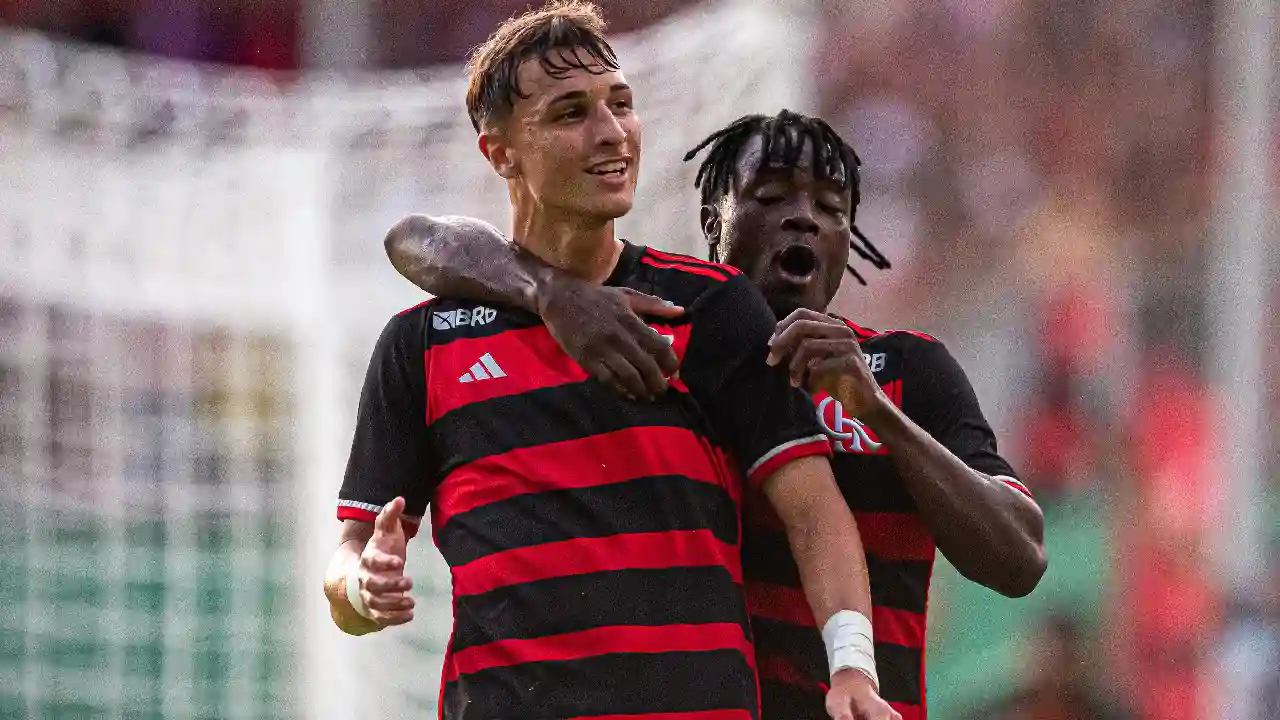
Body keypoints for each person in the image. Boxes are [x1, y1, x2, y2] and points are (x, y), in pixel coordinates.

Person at [323, 4, 897, 720]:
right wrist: (360, 584)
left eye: (620, 104)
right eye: (570, 113)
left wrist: (853, 669)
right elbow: (350, 555)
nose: (611, 133)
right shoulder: (424, 345)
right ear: (500, 153)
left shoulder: (710, 308)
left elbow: (814, 509)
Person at [385, 109, 1047, 720]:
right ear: (713, 221)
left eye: (831, 207)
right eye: (771, 196)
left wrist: (879, 416)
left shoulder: (907, 372)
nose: (804, 218)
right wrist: (551, 292)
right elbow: (419, 241)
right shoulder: (643, 347)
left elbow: (1019, 558)